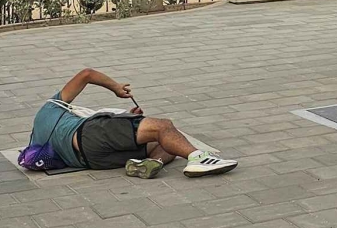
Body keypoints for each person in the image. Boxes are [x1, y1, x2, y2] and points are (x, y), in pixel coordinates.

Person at [26, 68, 237, 178]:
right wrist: (116, 87)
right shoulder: (52, 106)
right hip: (87, 133)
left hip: (90, 160)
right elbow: (86, 74)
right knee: (164, 127)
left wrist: (125, 118)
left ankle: (151, 163)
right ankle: (199, 158)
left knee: (167, 142)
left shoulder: (38, 138)